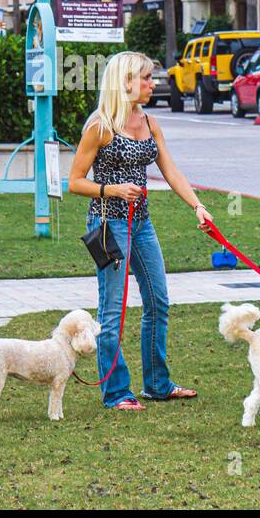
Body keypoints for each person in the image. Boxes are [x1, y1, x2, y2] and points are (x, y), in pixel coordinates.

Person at [69, 51, 204, 411]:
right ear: (125, 81)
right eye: (145, 78)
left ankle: (158, 384)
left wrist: (197, 206)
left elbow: (171, 170)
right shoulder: (100, 126)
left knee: (158, 301)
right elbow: (74, 182)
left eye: (150, 78)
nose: (151, 84)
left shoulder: (148, 122)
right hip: (108, 225)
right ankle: (116, 393)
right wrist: (111, 189)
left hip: (141, 223)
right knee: (112, 310)